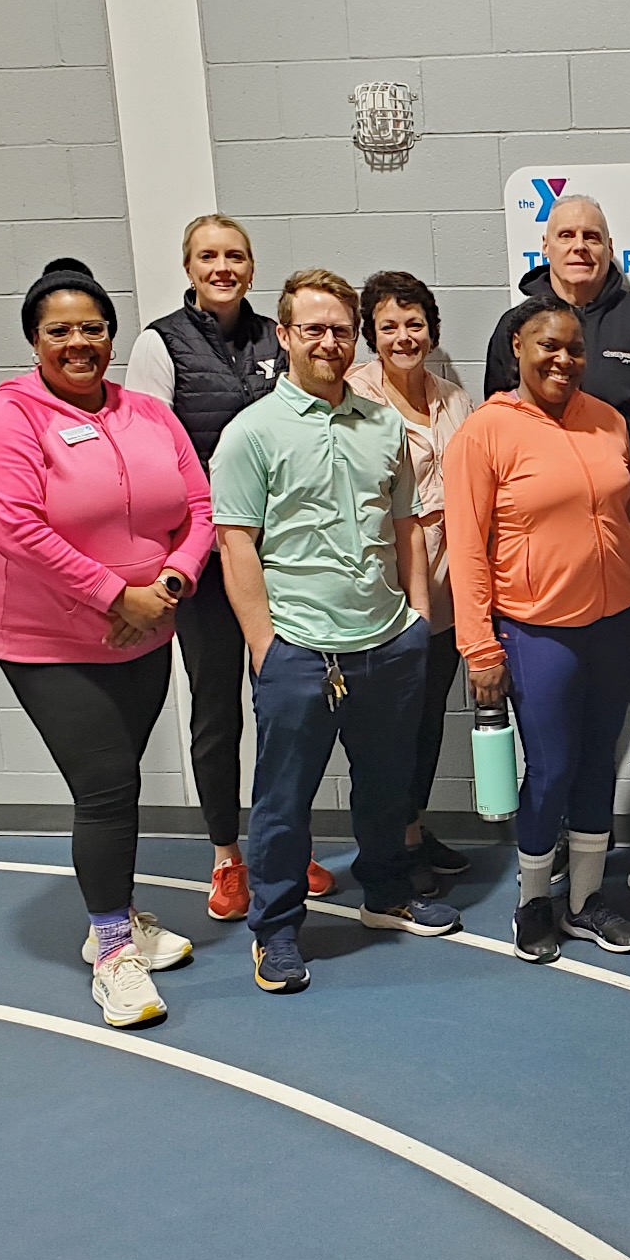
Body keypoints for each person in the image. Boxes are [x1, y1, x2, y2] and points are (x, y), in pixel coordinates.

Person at [0, 259, 214, 1028]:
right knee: (105, 788)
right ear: (35, 341)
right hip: (51, 642)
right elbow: (16, 527)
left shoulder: (146, 411)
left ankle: (119, 912)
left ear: (112, 335)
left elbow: (198, 504)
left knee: (121, 780)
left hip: (146, 629)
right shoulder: (5, 418)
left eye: (93, 328)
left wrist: (166, 586)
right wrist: (115, 595)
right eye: (60, 330)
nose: (80, 342)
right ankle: (111, 951)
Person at [211, 269, 459, 996]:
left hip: (388, 641)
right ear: (284, 336)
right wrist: (266, 647)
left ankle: (384, 894)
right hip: (298, 650)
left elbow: (410, 524)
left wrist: (416, 618)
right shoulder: (251, 433)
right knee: (283, 802)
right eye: (312, 328)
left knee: (386, 787)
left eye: (339, 330)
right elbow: (236, 545)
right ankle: (277, 929)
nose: (327, 340)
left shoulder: (383, 424)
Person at [122, 215, 337, 918]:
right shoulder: (161, 344)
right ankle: (226, 856)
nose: (223, 266)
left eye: (235, 255)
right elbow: (150, 459)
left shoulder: (277, 337)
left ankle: (285, 840)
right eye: (208, 255)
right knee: (217, 712)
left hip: (286, 559)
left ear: (250, 265)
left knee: (289, 706)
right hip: (208, 562)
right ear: (188, 266)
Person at [448, 295, 630, 965]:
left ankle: (585, 900)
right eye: (548, 345)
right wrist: (479, 645)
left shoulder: (606, 422)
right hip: (536, 630)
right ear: (517, 347)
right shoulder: (485, 431)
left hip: (615, 623)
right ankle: (533, 901)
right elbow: (466, 547)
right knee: (550, 769)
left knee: (599, 762)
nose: (563, 360)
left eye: (574, 349)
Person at [483, 195, 630, 889]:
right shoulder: (511, 329)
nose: (579, 246)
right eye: (565, 234)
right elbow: (495, 447)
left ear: (609, 246)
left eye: (592, 235)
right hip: (542, 580)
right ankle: (550, 865)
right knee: (558, 739)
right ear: (546, 246)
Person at [346, 270, 475, 884]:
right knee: (389, 724)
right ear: (371, 333)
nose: (404, 336)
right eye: (390, 326)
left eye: (415, 323)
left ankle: (413, 828)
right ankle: (390, 847)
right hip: (387, 583)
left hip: (451, 584)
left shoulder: (453, 397)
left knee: (427, 717)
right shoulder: (353, 394)